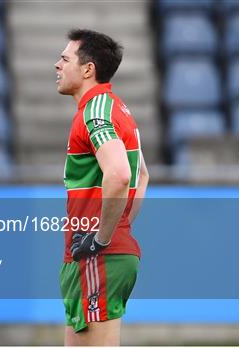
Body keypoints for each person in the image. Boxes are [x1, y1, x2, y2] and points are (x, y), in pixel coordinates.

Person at [54, 29, 149, 346]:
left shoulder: (95, 112)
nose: (57, 65)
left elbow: (121, 174)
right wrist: (119, 226)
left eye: (65, 59)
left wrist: (103, 237)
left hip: (97, 254)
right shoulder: (117, 108)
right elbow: (142, 175)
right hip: (94, 254)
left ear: (87, 69)